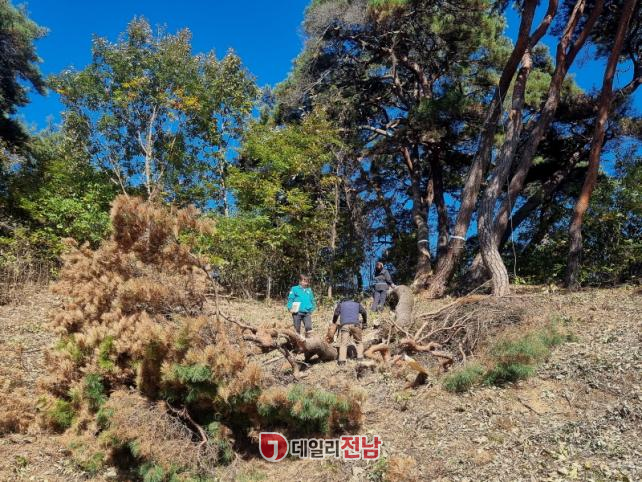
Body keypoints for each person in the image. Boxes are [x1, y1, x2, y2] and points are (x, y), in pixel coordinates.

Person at [332, 297, 368, 365]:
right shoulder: (357, 304)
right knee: (359, 342)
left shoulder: (341, 304)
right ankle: (360, 359)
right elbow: (364, 312)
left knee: (343, 344)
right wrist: (364, 322)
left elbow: (336, 314)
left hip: (344, 325)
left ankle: (342, 361)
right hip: (355, 325)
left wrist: (334, 322)